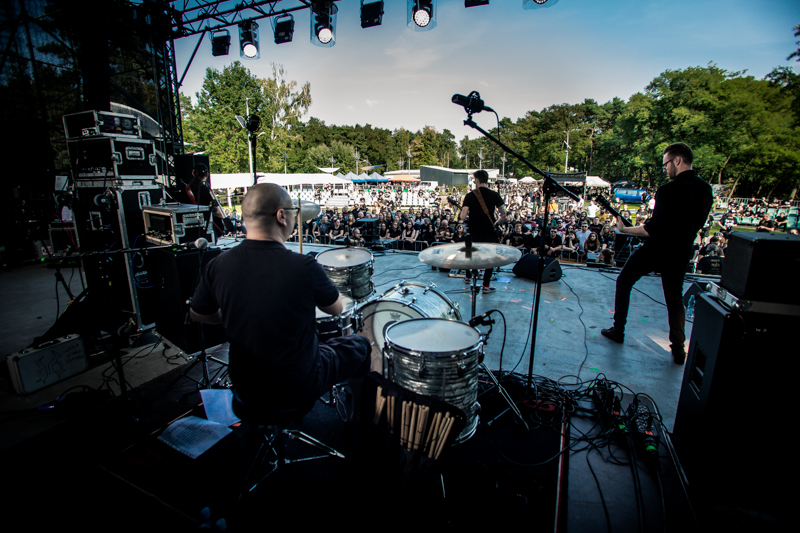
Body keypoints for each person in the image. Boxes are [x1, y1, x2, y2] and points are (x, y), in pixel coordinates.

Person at [189, 183, 371, 417]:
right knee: (360, 345)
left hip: (245, 388)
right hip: (299, 386)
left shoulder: (218, 264)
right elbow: (336, 308)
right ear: (281, 216)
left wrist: (234, 313)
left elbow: (197, 313)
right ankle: (360, 421)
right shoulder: (304, 267)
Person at [601, 143, 712, 364]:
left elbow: (652, 229)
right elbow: (695, 223)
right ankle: (678, 350)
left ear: (677, 161)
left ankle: (618, 331)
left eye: (666, 164)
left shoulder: (669, 190)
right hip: (681, 251)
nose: (665, 169)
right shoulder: (705, 189)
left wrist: (623, 229)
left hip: (658, 248)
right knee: (674, 299)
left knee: (624, 281)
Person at [460, 170, 507, 293]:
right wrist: (497, 223)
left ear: (476, 180)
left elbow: (463, 217)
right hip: (489, 232)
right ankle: (486, 285)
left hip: (474, 232)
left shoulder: (470, 196)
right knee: (490, 258)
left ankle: (468, 277)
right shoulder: (494, 194)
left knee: (470, 256)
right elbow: (503, 215)